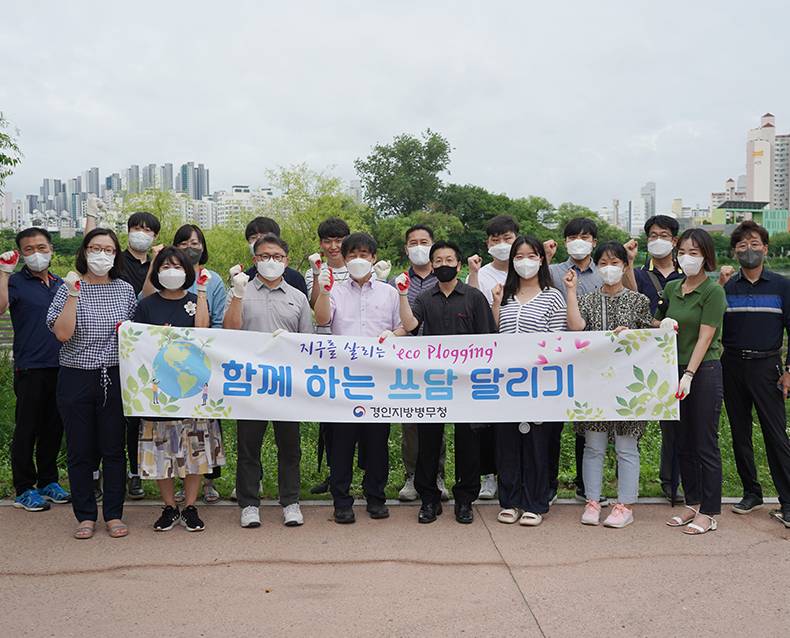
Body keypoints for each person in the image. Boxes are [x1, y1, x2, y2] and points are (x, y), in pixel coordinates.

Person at [397, 240, 497, 524]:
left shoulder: (474, 297)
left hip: (468, 385)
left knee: (468, 444)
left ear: (459, 263)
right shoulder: (424, 298)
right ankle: (429, 500)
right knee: (428, 443)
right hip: (434, 383)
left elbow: (487, 340)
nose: (443, 265)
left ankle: (465, 500)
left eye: (449, 260)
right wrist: (403, 295)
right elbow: (410, 328)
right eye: (437, 261)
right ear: (432, 264)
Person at [46, 228, 138, 539]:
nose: (102, 255)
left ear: (116, 255)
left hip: (114, 376)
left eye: (109, 250)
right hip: (76, 376)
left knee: (114, 449)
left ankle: (113, 514)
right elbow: (62, 333)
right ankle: (85, 515)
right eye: (95, 248)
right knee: (80, 450)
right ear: (85, 252)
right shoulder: (67, 287)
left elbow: (135, 336)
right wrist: (73, 292)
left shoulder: (125, 290)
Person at [314, 232, 406, 524]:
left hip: (379, 380)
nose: (358, 260)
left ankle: (375, 497)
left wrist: (393, 334)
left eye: (364, 254)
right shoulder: (336, 290)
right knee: (341, 443)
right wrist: (324, 290)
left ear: (374, 258)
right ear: (344, 257)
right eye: (352, 254)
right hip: (343, 379)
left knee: (377, 442)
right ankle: (342, 501)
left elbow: (403, 327)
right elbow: (322, 320)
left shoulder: (389, 292)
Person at [223, 233, 313, 528]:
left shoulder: (298, 297)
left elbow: (307, 343)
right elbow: (229, 331)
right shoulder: (239, 289)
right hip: (249, 382)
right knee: (249, 447)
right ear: (254, 260)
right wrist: (237, 295)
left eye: (276, 257)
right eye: (264, 256)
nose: (270, 261)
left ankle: (291, 502)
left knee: (290, 447)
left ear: (286, 262)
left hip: (287, 383)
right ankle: (249, 504)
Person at [564, 241, 654, 528]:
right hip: (594, 385)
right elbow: (577, 328)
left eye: (615, 263)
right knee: (593, 446)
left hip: (629, 385)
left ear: (625, 267)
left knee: (627, 447)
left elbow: (649, 342)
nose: (608, 268)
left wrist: (632, 335)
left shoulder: (639, 301)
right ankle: (593, 501)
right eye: (602, 263)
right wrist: (570, 291)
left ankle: (624, 505)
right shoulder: (587, 300)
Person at [134, 246, 222, 532]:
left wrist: (204, 293)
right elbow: (139, 346)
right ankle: (170, 506)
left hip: (193, 389)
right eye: (165, 266)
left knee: (194, 449)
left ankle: (191, 507)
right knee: (162, 450)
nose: (171, 271)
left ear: (188, 272)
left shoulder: (197, 300)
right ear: (157, 271)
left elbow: (203, 332)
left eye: (178, 266)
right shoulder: (147, 304)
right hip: (159, 393)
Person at [86, 198, 161, 500]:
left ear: (156, 236)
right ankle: (93, 474)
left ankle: (134, 474)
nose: (141, 233)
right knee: (99, 419)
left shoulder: (157, 261)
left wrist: (156, 262)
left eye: (148, 230)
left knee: (134, 417)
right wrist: (91, 214)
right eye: (136, 228)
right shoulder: (117, 262)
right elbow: (89, 245)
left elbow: (148, 300)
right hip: (105, 352)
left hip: (142, 350)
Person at [718, 220, 790, 528]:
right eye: (743, 246)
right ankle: (752, 491)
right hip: (731, 365)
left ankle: (787, 501)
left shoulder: (782, 284)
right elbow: (710, 323)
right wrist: (719, 285)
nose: (750, 251)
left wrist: (789, 371)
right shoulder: (726, 287)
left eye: (755, 245)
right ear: (734, 252)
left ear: (766, 249)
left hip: (768, 366)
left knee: (776, 435)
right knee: (740, 434)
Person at [489, 236, 565, 527]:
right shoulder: (503, 295)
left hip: (539, 382)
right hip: (506, 382)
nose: (525, 262)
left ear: (541, 259)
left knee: (536, 442)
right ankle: (510, 501)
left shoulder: (553, 296)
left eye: (531, 256)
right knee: (506, 442)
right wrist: (496, 304)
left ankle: (535, 502)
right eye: (518, 257)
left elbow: (557, 340)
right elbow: (494, 336)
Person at [656, 229, 726, 535]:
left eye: (694, 253)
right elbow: (656, 321)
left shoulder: (714, 291)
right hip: (672, 369)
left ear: (706, 257)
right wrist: (663, 323)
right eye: (682, 252)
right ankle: (692, 502)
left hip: (703, 371)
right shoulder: (673, 287)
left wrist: (689, 375)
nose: (687, 258)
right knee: (682, 443)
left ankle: (709, 511)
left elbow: (705, 336)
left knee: (705, 443)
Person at [0, 228, 70, 512]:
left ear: (51, 249)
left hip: (63, 365)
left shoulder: (62, 284)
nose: (36, 253)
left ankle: (48, 481)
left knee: (54, 428)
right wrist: (4, 272)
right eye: (28, 249)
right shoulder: (15, 282)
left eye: (41, 247)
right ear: (21, 254)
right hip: (31, 366)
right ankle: (23, 488)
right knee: (27, 429)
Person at [623, 214, 686, 504]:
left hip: (681, 355)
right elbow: (633, 305)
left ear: (674, 240)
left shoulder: (688, 271)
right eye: (652, 235)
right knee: (632, 423)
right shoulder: (637, 273)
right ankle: (627, 487)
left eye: (664, 235)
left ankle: (673, 482)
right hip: (645, 359)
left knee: (677, 424)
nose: (657, 240)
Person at [545, 217, 604, 505]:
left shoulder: (604, 272)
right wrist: (545, 257)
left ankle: (586, 486)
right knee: (552, 426)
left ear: (594, 241)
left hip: (593, 360)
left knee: (588, 427)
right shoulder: (553, 271)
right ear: (565, 241)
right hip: (557, 358)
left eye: (585, 236)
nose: (578, 241)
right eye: (572, 237)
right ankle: (549, 484)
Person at [386, 224, 448, 502]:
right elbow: (395, 321)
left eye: (425, 241)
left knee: (438, 419)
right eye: (413, 242)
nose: (419, 246)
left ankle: (437, 475)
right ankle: (412, 476)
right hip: (406, 360)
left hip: (442, 360)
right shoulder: (395, 283)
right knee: (409, 422)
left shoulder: (445, 279)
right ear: (406, 249)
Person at [467, 215, 520, 499]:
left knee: (516, 418)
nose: (501, 245)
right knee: (487, 418)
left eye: (507, 238)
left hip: (521, 357)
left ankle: (515, 474)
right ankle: (488, 476)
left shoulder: (528, 270)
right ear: (487, 244)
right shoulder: (483, 274)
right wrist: (474, 273)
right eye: (495, 240)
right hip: (488, 356)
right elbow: (476, 310)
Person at [305, 217, 351, 495]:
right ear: (321, 244)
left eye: (339, 240)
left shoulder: (359, 266)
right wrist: (316, 275)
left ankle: (366, 474)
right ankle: (335, 474)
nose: (334, 246)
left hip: (358, 352)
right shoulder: (315, 270)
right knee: (331, 420)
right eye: (328, 241)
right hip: (327, 352)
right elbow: (313, 306)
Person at [244, 216, 308, 298]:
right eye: (253, 238)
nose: (258, 241)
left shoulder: (295, 278)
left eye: (264, 236)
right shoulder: (245, 278)